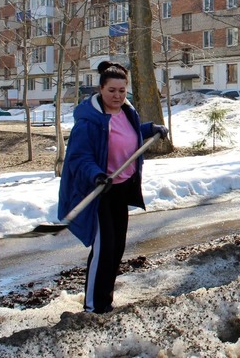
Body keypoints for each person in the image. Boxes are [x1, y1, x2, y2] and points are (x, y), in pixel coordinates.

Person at [58, 61, 168, 314]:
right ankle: (93, 306)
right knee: (103, 248)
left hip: (120, 188)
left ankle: (104, 300)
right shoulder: (89, 122)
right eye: (112, 91)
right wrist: (96, 175)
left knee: (116, 247)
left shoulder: (127, 113)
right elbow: (79, 157)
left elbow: (126, 135)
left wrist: (149, 129)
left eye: (122, 90)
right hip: (98, 192)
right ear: (100, 89)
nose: (117, 96)